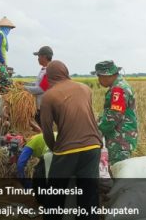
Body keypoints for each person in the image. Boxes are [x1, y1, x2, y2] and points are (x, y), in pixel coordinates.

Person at [40, 60, 102, 220]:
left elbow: (46, 129)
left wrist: (54, 148)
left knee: (55, 195)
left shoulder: (49, 96)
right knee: (89, 196)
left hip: (67, 149)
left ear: (50, 76)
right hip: (94, 146)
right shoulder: (85, 89)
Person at [91, 60, 138, 165]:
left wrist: (97, 131)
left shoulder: (118, 90)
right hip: (121, 137)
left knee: (118, 169)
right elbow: (111, 112)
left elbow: (113, 117)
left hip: (120, 139)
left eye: (99, 76)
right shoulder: (119, 86)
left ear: (106, 75)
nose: (98, 80)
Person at [24, 46, 53, 126]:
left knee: (42, 128)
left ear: (44, 57)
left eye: (39, 56)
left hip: (44, 106)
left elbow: (41, 89)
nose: (38, 58)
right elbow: (37, 83)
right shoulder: (44, 69)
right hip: (38, 105)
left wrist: (24, 88)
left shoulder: (49, 70)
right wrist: (25, 83)